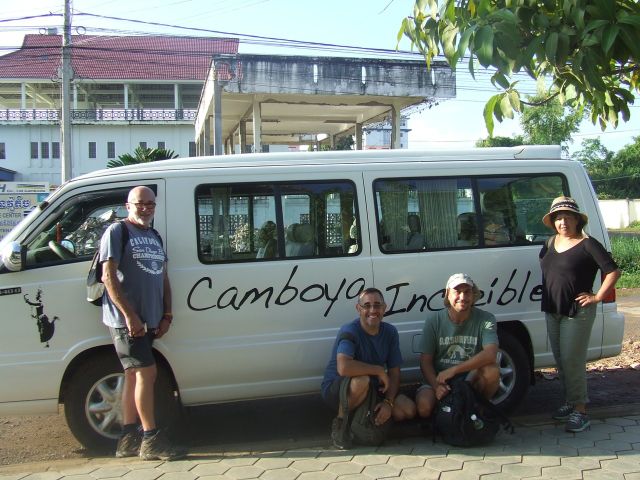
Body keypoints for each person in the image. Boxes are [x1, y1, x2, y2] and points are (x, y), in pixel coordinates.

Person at [99, 186, 186, 460]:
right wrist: (129, 316)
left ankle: (127, 440)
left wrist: (167, 313)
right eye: (140, 204)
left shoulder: (154, 235)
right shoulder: (117, 232)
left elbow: (163, 277)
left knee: (134, 375)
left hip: (149, 320)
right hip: (127, 322)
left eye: (150, 204)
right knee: (147, 374)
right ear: (128, 205)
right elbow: (108, 276)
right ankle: (150, 439)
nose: (146, 208)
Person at [540, 196, 621, 432]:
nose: (563, 221)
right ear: (553, 221)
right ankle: (569, 402)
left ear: (577, 220)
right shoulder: (549, 243)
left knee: (573, 361)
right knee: (561, 361)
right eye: (558, 217)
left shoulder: (588, 244)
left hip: (578, 311)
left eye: (568, 216)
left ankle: (581, 411)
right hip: (552, 309)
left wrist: (597, 297)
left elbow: (613, 272)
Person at [321, 287, 416, 449]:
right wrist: (378, 370)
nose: (373, 310)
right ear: (358, 309)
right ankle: (341, 425)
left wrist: (388, 403)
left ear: (384, 308)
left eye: (377, 305)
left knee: (407, 410)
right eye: (367, 305)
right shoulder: (350, 330)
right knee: (361, 381)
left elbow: (394, 372)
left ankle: (365, 422)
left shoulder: (390, 332)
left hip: (373, 388)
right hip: (339, 390)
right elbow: (343, 367)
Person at [416, 273, 500, 419]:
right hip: (439, 378)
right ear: (447, 295)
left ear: (473, 296)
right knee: (423, 408)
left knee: (492, 371)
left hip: (469, 378)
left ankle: (479, 408)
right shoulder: (434, 320)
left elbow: (491, 353)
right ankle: (447, 416)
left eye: (467, 292)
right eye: (457, 292)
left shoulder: (486, 319)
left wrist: (454, 370)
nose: (462, 297)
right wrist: (436, 387)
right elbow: (425, 362)